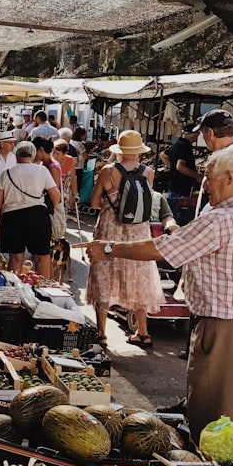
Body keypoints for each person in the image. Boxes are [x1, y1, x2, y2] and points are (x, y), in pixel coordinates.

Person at [79, 144, 233, 441]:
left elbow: (164, 249)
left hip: (227, 327)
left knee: (213, 420)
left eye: (210, 177)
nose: (205, 184)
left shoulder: (223, 217)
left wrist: (109, 248)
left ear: (231, 177)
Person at [84, 130, 164, 350]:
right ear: (139, 151)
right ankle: (143, 332)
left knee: (104, 276)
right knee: (137, 276)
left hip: (110, 229)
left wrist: (112, 205)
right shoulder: (148, 172)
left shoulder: (108, 171)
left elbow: (93, 202)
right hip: (138, 232)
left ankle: (101, 333)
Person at [0, 141, 60, 277]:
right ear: (33, 155)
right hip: (37, 216)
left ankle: (15, 290)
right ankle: (43, 290)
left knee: (16, 258)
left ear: (16, 155)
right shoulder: (42, 171)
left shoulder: (7, 173)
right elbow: (56, 196)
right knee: (41, 257)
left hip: (12, 217)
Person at [159, 122, 200, 224]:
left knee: (171, 216)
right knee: (177, 219)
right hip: (181, 188)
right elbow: (180, 166)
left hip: (174, 186)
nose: (198, 136)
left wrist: (171, 167)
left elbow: (163, 155)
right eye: (197, 133)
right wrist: (197, 176)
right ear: (193, 134)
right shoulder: (186, 146)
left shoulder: (177, 143)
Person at [34, 137, 66, 241]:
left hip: (51, 206)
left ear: (41, 150)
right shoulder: (44, 165)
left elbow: (53, 191)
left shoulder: (52, 167)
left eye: (35, 151)